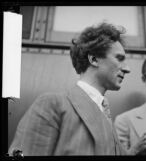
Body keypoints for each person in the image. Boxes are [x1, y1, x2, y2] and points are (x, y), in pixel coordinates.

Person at [8, 22, 130, 155]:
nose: (127, 69)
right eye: (119, 58)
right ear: (94, 59)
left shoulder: (104, 111)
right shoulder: (52, 104)